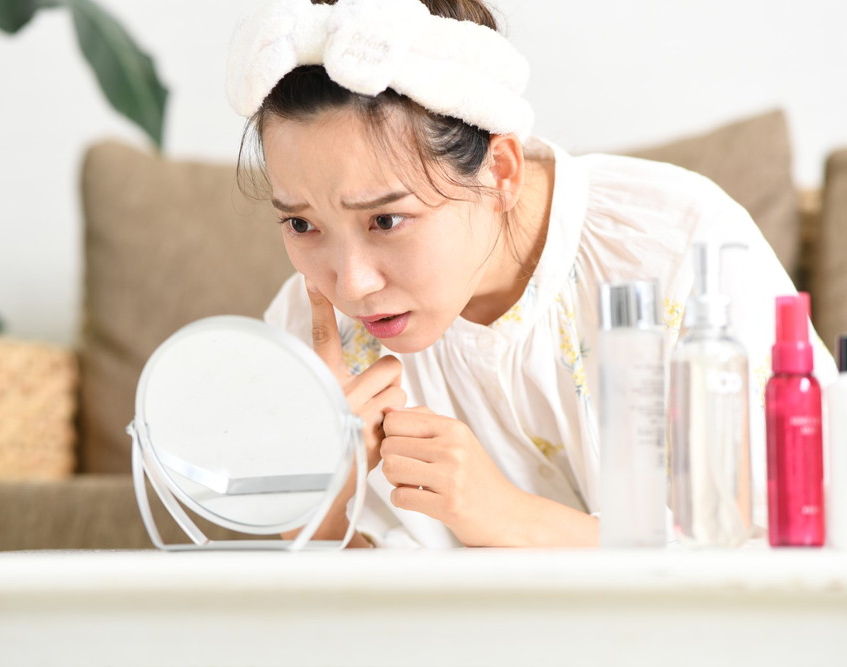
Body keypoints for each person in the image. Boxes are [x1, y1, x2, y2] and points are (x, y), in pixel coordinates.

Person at [226, 0, 838, 548]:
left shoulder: (676, 248)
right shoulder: (316, 343)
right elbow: (343, 618)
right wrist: (320, 504)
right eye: (301, 224)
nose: (351, 285)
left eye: (385, 220)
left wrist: (512, 518)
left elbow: (795, 559)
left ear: (500, 172)